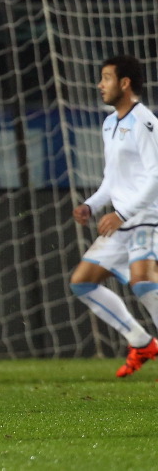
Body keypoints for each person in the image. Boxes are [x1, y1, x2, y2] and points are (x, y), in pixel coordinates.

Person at [70, 54, 158, 378]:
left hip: (146, 218)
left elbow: (156, 176)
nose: (100, 85)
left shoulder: (145, 122)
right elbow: (112, 179)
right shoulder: (110, 122)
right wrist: (91, 205)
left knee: (144, 283)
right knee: (82, 283)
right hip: (122, 222)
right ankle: (141, 341)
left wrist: (121, 213)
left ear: (125, 83)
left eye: (106, 78)